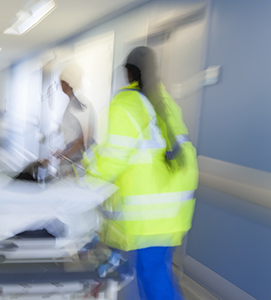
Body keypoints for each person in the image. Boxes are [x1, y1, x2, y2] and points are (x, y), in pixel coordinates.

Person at [81, 46, 198, 300]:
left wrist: (86, 175)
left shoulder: (127, 103)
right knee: (151, 274)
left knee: (153, 278)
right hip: (173, 210)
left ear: (127, 73)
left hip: (148, 213)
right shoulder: (164, 102)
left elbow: (114, 158)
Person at [54, 63, 96, 175]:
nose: (61, 84)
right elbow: (74, 138)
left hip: (77, 165)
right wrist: (63, 153)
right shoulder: (73, 103)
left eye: (63, 81)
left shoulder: (81, 104)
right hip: (72, 161)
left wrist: (64, 156)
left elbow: (83, 141)